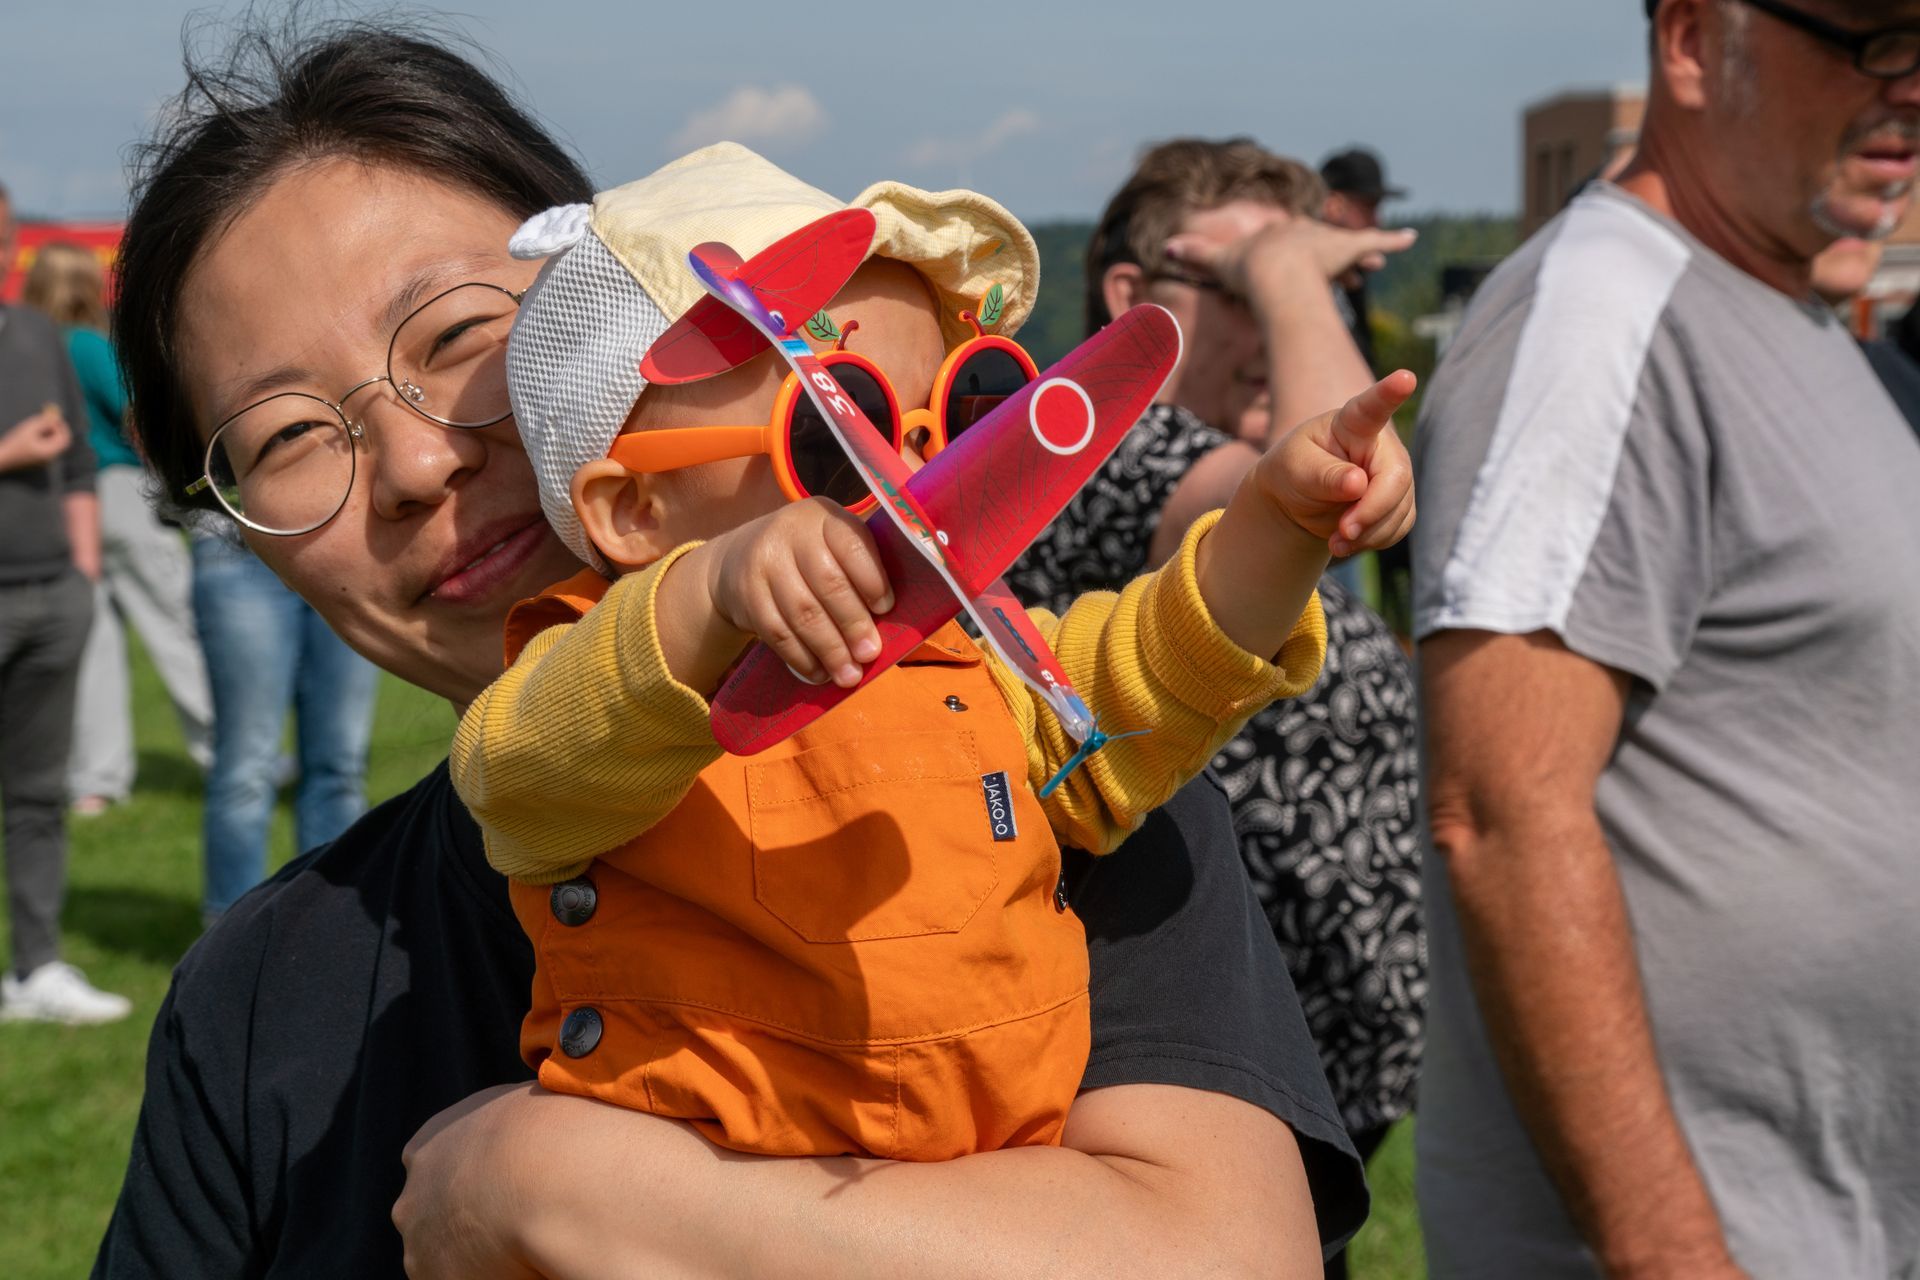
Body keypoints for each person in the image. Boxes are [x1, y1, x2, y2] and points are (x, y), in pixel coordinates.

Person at [94, 25, 1374, 1277]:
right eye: (286, 438)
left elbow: (1229, 1252)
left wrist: (558, 1188)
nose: (419, 464)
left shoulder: (1022, 760)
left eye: (454, 338)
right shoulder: (258, 1001)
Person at [443, 145, 1409, 1162]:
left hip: (994, 1208)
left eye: (952, 418)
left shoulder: (969, 657)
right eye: (831, 439)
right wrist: (711, 595)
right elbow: (514, 775)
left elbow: (1148, 671)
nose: (915, 477)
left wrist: (1280, 523)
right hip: (697, 1226)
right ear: (635, 511)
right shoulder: (618, 683)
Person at [1411, 0, 1920, 1275]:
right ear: (1694, 43)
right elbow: (1501, 813)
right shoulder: (1598, 318)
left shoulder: (1792, 315)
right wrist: (1675, 1252)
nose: (1910, 85)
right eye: (1876, 36)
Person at [1007, 136, 1425, 1280]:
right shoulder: (1103, 444)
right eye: (1241, 287)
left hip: (1306, 1041)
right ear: (1133, 301)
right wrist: (1298, 271)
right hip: (1196, 1043)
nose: (1273, 324)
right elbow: (1333, 490)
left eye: (1296, 292)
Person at [20, 242, 214, 814]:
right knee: (177, 627)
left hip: (54, 506)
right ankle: (222, 749)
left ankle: (95, 781)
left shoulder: (25, 351)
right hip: (117, 496)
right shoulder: (87, 345)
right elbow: (137, 416)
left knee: (94, 646)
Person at [0, 185, 130, 1026]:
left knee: (38, 795)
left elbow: (80, 462)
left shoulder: (36, 333)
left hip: (53, 591)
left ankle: (36, 969)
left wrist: (83, 573)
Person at [190, 530, 379, 920]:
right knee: (246, 769)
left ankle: (334, 924)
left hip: (341, 544)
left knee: (339, 766)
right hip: (234, 546)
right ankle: (230, 940)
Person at [1318, 147, 1405, 372]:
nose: (1376, 220)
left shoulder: (1352, 274)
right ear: (1333, 205)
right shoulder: (1307, 282)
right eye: (1369, 206)